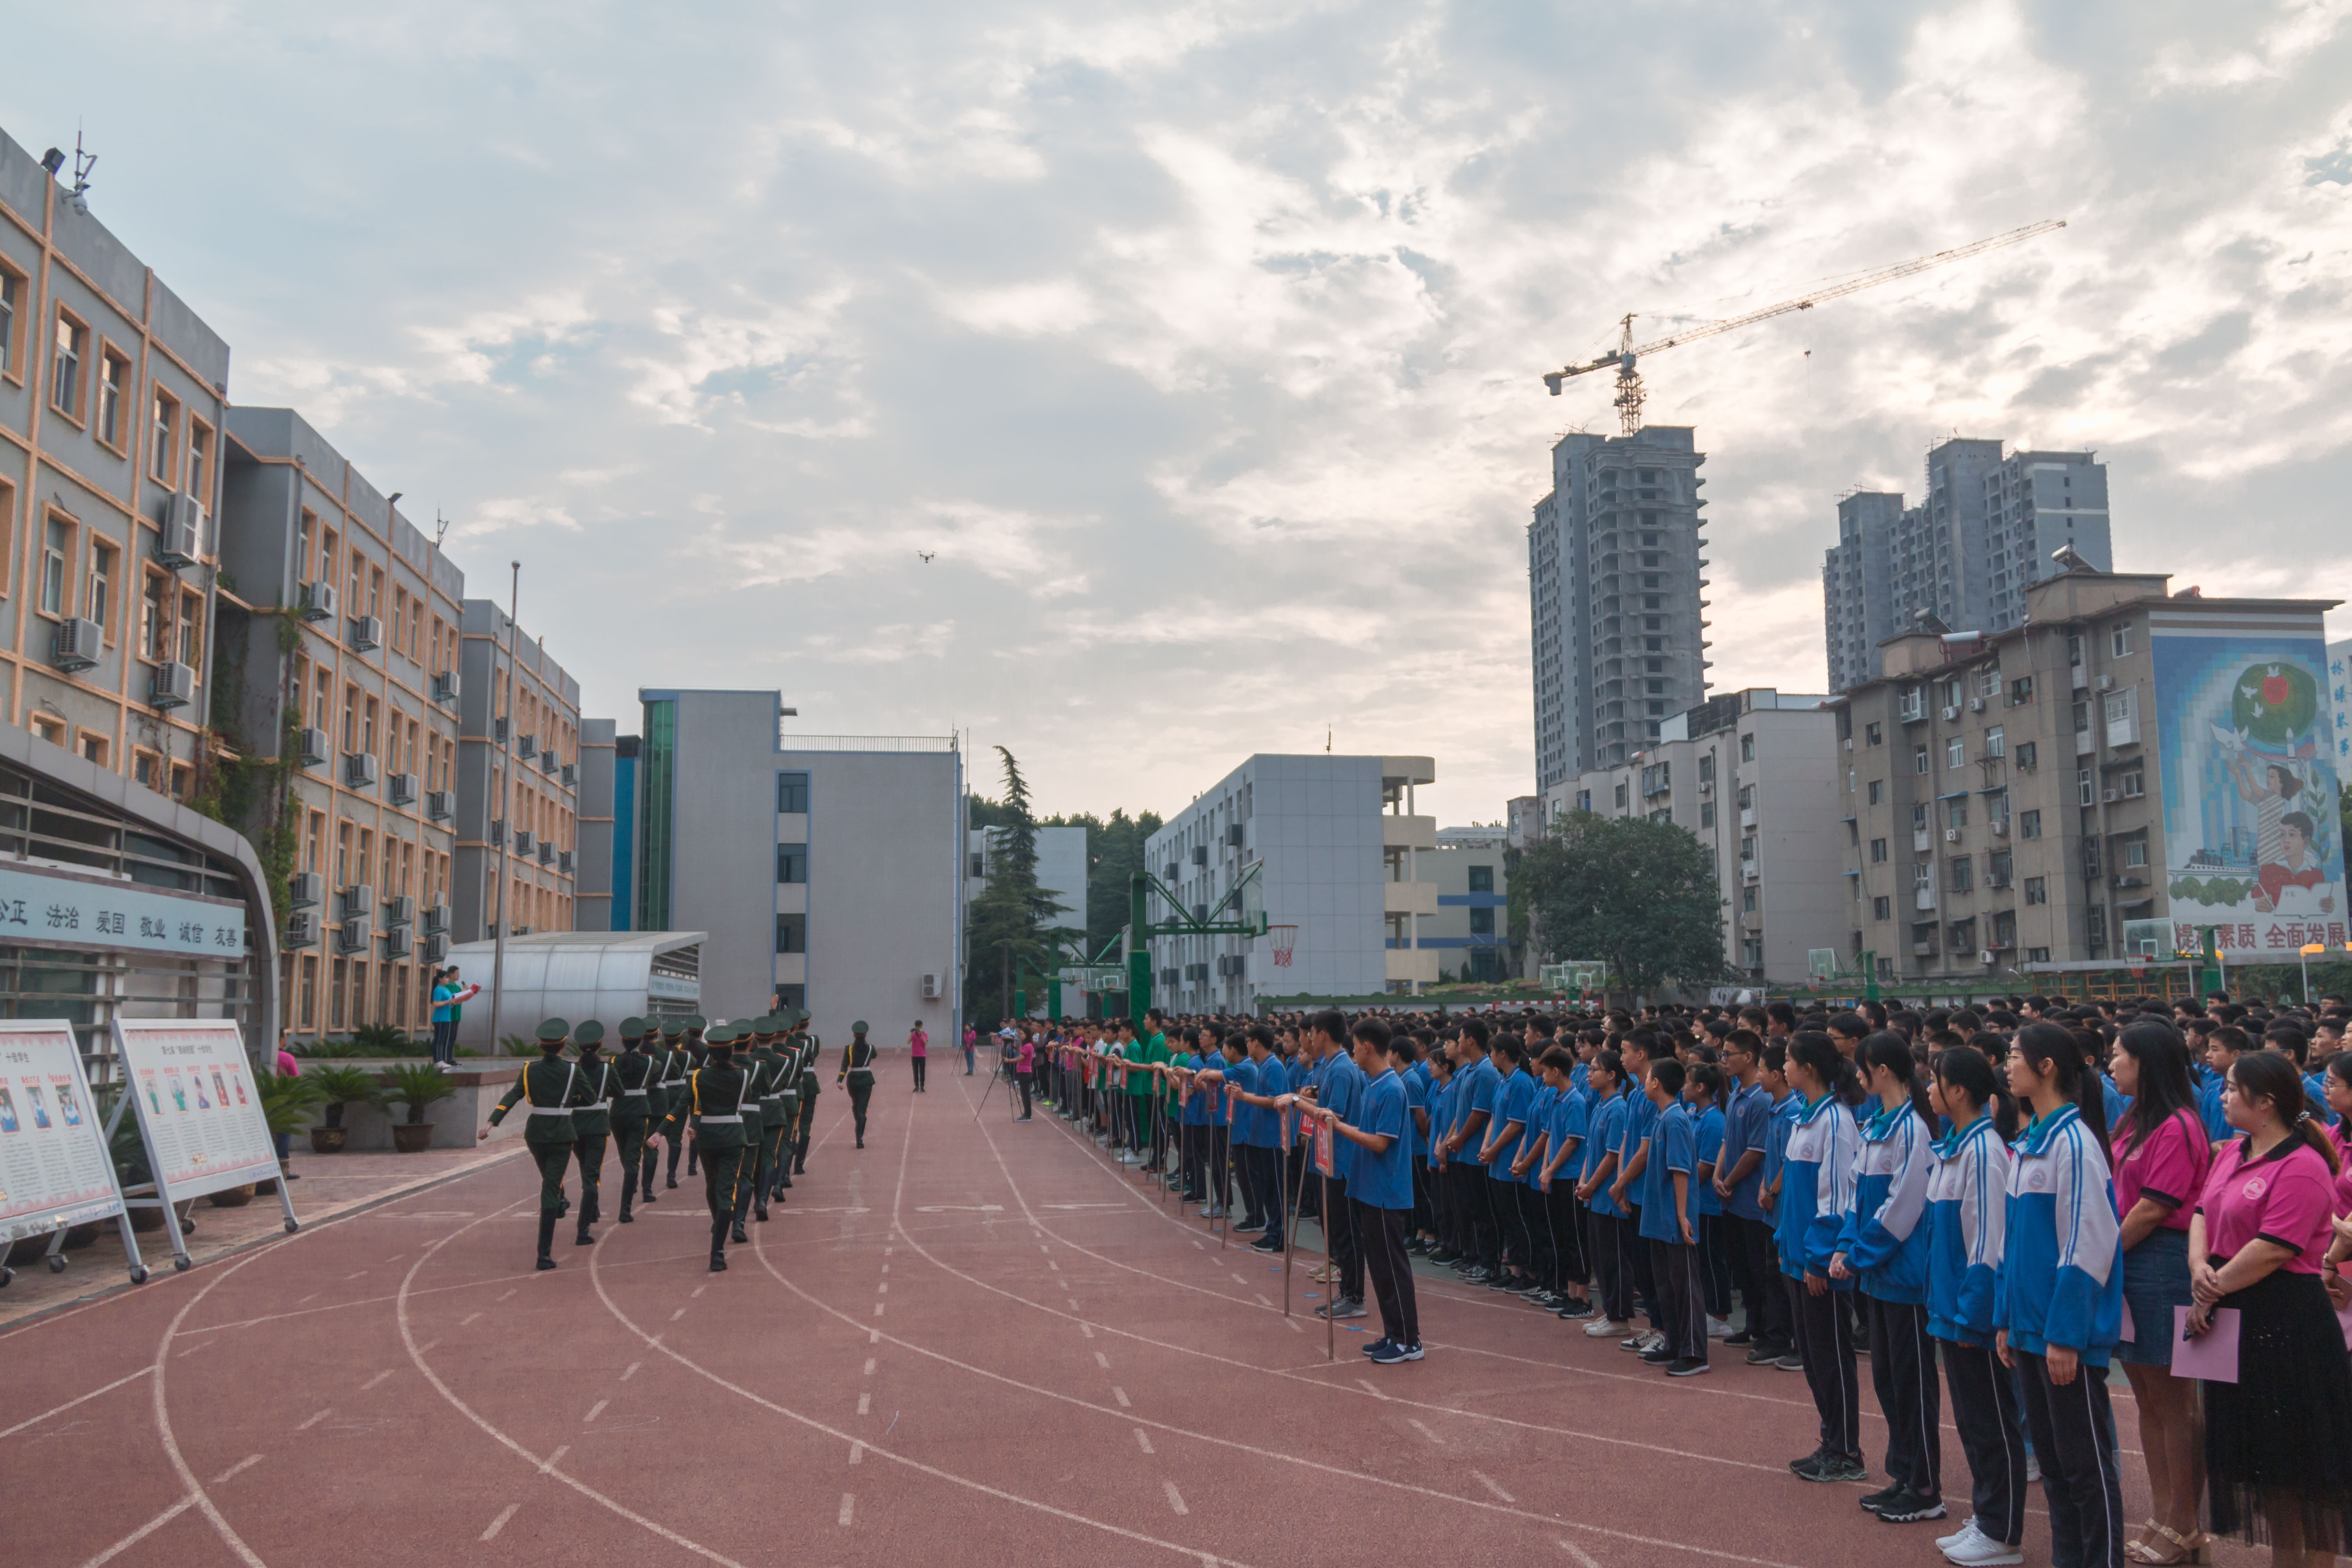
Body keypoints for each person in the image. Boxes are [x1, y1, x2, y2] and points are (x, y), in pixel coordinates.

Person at [2188, 1050, 2352, 1565]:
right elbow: (2200, 1210)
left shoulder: (2302, 1164)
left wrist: (2211, 1288)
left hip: (2286, 1322)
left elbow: (2276, 1247)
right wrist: (2198, 1267)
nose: (2223, 1095)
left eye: (2233, 1089)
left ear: (2266, 1103)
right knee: (2265, 1467)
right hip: (2232, 1308)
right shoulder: (2233, 1152)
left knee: (2303, 1469)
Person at [2000, 1022, 2126, 1568]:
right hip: (2030, 1328)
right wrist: (2008, 1319)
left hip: (2061, 1334)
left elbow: (2088, 1246)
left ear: (2046, 1066)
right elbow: (2014, 1246)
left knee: (2085, 1467)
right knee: (2052, 1466)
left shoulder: (2075, 1145)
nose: (2007, 1066)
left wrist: (2065, 1334)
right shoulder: (2031, 1141)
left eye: (2014, 1056)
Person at [2105, 1021, 2211, 1566]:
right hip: (2132, 1257)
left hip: (2160, 1261)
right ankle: (2163, 1511)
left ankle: (2186, 1525)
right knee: (2146, 1394)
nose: (2112, 1062)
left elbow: (2154, 1204)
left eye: (2120, 1054)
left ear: (2147, 1061)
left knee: (2174, 1400)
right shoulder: (2135, 1119)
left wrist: (2103, 1254)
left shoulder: (2177, 1124)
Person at [1832, 1033, 1943, 1523]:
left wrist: (1859, 1254)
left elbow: (1903, 1206)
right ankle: (1902, 1474)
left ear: (1882, 1070)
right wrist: (1845, 1245)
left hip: (1903, 1277)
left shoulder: (1913, 1129)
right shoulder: (1876, 1124)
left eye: (1863, 1067)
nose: (1858, 1075)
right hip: (1877, 1275)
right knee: (1886, 1379)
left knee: (1912, 1381)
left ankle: (1924, 1486)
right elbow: (1859, 1198)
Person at [1928, 1046, 2028, 1568]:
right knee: (1971, 1419)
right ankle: (1989, 1516)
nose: (1929, 1089)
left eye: (1935, 1081)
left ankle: (2002, 1530)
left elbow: (1987, 1241)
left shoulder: (1984, 1150)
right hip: (1951, 1307)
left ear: (1959, 1091)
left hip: (1974, 1312)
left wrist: (1973, 1311)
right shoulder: (1955, 1146)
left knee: (1991, 1418)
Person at [1782, 1031, 1868, 1483]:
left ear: (1809, 1068)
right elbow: (1798, 1192)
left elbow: (1836, 1194)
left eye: (1788, 1059)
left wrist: (1821, 1256)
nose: (1782, 1066)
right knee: (1815, 1359)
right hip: (1797, 1256)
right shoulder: (1804, 1116)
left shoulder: (1836, 1120)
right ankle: (1831, 1440)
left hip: (1820, 1261)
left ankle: (1846, 1450)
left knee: (1831, 1356)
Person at [1316, 1016, 1421, 1364]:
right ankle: (1394, 1332)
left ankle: (1409, 1340)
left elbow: (1379, 1142)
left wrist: (1339, 1127)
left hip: (1386, 1192)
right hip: (1369, 1189)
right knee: (1378, 1265)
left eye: (1355, 1046)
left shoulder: (1391, 1088)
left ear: (1366, 1047)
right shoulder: (1373, 1084)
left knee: (1392, 1265)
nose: (1352, 1052)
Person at [480, 1019, 590, 1270]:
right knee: (550, 1188)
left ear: (542, 1046)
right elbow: (590, 1097)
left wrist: (491, 1122)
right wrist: (567, 1102)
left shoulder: (529, 1070)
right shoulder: (573, 1071)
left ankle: (559, 1200)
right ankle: (544, 1254)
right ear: (563, 1045)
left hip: (536, 1133)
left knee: (549, 1180)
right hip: (562, 1133)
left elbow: (513, 1095)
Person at [689, 1026, 753, 1273]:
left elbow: (696, 1104)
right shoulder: (743, 1076)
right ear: (731, 1051)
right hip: (734, 1137)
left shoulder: (700, 1076)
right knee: (727, 1191)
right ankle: (717, 1254)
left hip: (707, 1138)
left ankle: (719, 1224)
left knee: (712, 1184)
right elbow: (745, 1099)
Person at [568, 1022, 617, 1247]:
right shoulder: (607, 1069)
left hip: (577, 1125)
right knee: (591, 1175)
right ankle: (583, 1229)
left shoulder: (574, 1070)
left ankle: (594, 1207)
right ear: (600, 1046)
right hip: (598, 1126)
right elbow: (621, 1092)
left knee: (585, 1167)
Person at [610, 1019, 655, 1224]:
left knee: (624, 1154)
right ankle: (625, 1210)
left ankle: (632, 1177)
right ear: (640, 1041)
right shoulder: (649, 1063)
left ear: (622, 1041)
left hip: (618, 1111)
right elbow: (661, 1065)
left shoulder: (614, 1062)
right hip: (639, 1111)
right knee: (633, 1158)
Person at [430, 968, 481, 1067]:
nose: (447, 979)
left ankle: (444, 1060)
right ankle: (439, 1060)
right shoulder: (439, 989)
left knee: (446, 1038)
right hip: (441, 1018)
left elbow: (456, 999)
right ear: (440, 979)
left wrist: (470, 992)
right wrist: (449, 1002)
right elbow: (436, 1003)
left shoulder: (446, 989)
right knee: (440, 1039)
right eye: (446, 978)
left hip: (447, 1018)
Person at [839, 1021, 878, 1148]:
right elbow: (875, 1056)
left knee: (856, 1106)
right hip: (866, 1081)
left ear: (854, 1034)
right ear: (865, 1035)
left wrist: (840, 1080)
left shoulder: (849, 1049)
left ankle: (859, 1125)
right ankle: (859, 1137)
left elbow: (845, 1065)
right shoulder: (870, 1048)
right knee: (862, 1109)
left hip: (853, 1081)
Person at [273, 1029, 301, 1182]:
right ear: (280, 1039)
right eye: (285, 1037)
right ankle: (283, 1168)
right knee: (284, 1135)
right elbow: (295, 1081)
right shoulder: (287, 1058)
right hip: (285, 1102)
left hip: (266, 1102)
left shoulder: (264, 1057)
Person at [908, 1021, 928, 1093]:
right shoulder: (913, 1035)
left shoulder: (925, 1034)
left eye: (919, 1027)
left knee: (922, 1071)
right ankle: (916, 1086)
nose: (918, 1028)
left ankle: (922, 1086)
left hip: (922, 1055)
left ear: (921, 1026)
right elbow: (908, 1042)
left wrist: (922, 1034)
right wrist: (911, 1033)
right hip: (914, 1055)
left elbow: (925, 1043)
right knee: (915, 1071)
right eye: (917, 1027)